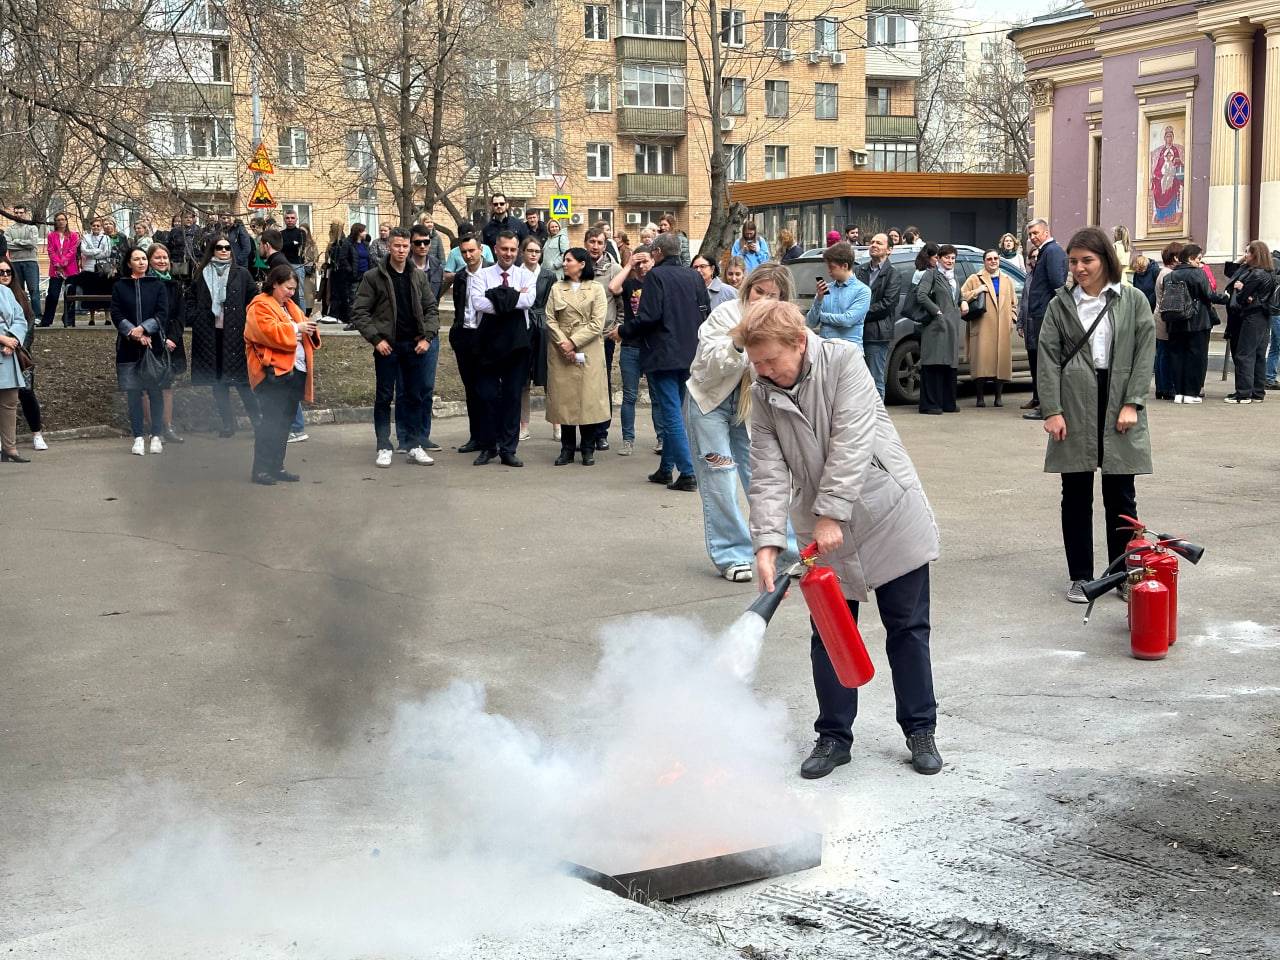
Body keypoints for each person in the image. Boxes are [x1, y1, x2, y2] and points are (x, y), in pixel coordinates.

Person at [740, 299, 943, 777]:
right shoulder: (764, 394)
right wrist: (767, 543)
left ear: (799, 342)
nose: (765, 371)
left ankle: (920, 730)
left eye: (772, 360)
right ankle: (833, 736)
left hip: (888, 513)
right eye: (757, 363)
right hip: (823, 532)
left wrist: (831, 512)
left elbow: (853, 442)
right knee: (829, 634)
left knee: (908, 629)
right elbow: (767, 474)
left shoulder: (846, 362)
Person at [1037, 226, 1154, 604]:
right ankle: (1081, 576)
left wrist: (1133, 402)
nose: (1079, 268)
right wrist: (1052, 409)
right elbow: (1048, 358)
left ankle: (1121, 573)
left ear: (1105, 259)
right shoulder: (1061, 304)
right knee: (1075, 493)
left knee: (1121, 494)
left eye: (1087, 260)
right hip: (1074, 400)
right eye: (1073, 261)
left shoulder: (1132, 300)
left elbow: (1143, 353)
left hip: (1118, 395)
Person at [686, 262, 794, 581]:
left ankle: (786, 550)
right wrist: (738, 340)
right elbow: (707, 364)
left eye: (771, 295)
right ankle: (732, 553)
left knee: (764, 478)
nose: (762, 299)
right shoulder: (726, 314)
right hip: (710, 404)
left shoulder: (782, 323)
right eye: (759, 291)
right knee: (720, 476)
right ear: (749, 287)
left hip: (752, 410)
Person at [615, 232, 709, 491]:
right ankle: (666, 469)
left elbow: (648, 317)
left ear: (657, 252)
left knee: (671, 414)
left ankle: (688, 473)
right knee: (676, 409)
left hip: (663, 353)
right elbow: (705, 312)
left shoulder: (656, 276)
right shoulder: (693, 275)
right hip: (690, 352)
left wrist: (622, 331)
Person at [350, 227, 439, 467]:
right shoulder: (374, 277)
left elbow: (431, 309)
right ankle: (383, 445)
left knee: (414, 396)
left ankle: (414, 444)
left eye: (405, 246)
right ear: (389, 246)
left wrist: (427, 338)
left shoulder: (418, 276)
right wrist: (376, 340)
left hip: (414, 346)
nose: (401, 250)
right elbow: (359, 312)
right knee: (384, 396)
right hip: (387, 347)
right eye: (397, 245)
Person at [244, 266, 318, 484]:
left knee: (285, 423)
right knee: (270, 422)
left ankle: (277, 466)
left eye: (294, 289)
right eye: (288, 288)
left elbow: (300, 327)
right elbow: (265, 333)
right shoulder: (259, 305)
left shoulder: (290, 306)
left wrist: (307, 328)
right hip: (272, 374)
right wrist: (297, 329)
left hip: (294, 371)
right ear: (275, 283)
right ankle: (261, 470)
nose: (291, 293)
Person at [468, 231, 536, 467]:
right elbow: (478, 302)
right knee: (486, 396)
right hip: (487, 344)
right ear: (495, 249)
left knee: (512, 396)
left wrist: (496, 297)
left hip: (516, 344)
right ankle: (488, 447)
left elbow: (528, 301)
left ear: (517, 251)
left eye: (512, 250)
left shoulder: (525, 275)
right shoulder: (482, 274)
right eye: (504, 249)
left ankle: (508, 449)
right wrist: (512, 298)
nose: (508, 253)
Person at [188, 235, 260, 437]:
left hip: (236, 335)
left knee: (243, 383)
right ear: (212, 250)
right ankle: (228, 424)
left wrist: (247, 320)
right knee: (218, 383)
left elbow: (254, 299)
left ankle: (258, 423)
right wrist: (196, 317)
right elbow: (191, 297)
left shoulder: (241, 273)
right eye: (219, 247)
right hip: (210, 335)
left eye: (227, 247)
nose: (223, 251)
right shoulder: (202, 273)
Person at [545, 248, 609, 465]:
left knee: (588, 399)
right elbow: (549, 318)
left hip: (587, 348)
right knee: (565, 400)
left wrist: (573, 342)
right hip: (560, 348)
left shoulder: (596, 289)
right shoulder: (557, 288)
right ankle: (567, 449)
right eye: (564, 260)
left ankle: (588, 448)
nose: (564, 263)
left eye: (569, 260)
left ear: (582, 263)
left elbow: (597, 323)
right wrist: (564, 342)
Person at [111, 247, 172, 456]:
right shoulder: (120, 286)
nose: (141, 262)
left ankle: (156, 434)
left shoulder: (156, 285)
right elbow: (116, 313)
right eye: (136, 259)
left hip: (152, 346)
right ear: (129, 263)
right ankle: (138, 436)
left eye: (144, 259)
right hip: (128, 347)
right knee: (133, 393)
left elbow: (162, 313)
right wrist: (133, 332)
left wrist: (145, 329)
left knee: (155, 391)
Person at [1164, 244, 1226, 404]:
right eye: (1198, 258)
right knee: (1196, 357)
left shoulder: (1169, 276)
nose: (1200, 262)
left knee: (1177, 356)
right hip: (1197, 322)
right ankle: (1191, 393)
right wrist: (1225, 297)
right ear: (1190, 258)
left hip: (1175, 321)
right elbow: (1208, 295)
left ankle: (1179, 393)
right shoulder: (1198, 274)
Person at [1024, 218, 1069, 420]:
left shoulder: (1052, 251)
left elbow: (1057, 284)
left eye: (1035, 233)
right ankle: (1045, 405)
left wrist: (1055, 313)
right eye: (1030, 234)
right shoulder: (1046, 251)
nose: (1032, 237)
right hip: (1040, 312)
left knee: (1048, 361)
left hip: (1046, 314)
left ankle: (1048, 408)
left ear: (1046, 231)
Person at [959, 249, 1015, 407]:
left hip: (1002, 328)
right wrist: (977, 291)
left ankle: (998, 397)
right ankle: (980, 397)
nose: (993, 261)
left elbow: (1013, 303)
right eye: (989, 259)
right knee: (981, 363)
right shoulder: (975, 278)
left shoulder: (1006, 279)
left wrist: (1011, 318)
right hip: (982, 326)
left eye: (995, 258)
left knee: (1000, 364)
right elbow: (961, 295)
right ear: (984, 261)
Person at [0, 258, 46, 451]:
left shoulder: (20, 295)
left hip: (20, 353)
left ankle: (37, 433)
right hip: (3, 350)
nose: (4, 276)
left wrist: (15, 344)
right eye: (1, 272)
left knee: (26, 393)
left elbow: (28, 323)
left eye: (8, 272)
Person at [1222, 242, 1276, 404]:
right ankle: (1257, 392)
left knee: (1244, 354)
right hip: (1264, 317)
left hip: (1252, 317)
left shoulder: (1255, 274)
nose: (1245, 255)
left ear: (1255, 254)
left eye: (1247, 252)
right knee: (1259, 354)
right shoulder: (1269, 273)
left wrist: (1240, 287)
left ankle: (1243, 394)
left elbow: (1242, 297)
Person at [584, 227, 622, 450]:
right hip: (581, 337)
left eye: (599, 242)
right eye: (592, 242)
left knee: (601, 383)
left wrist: (618, 327)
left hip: (603, 336)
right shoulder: (579, 266)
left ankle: (601, 432)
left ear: (605, 245)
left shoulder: (614, 269)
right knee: (582, 384)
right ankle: (586, 428)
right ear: (586, 243)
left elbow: (621, 304)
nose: (595, 246)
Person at [913, 243, 962, 415]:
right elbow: (921, 295)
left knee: (949, 364)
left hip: (952, 325)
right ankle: (931, 404)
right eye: (947, 257)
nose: (950, 261)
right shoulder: (931, 274)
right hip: (936, 325)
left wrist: (962, 303)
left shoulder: (953, 277)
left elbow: (958, 296)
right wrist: (937, 311)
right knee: (934, 362)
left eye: (953, 258)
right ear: (939, 258)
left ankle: (948, 402)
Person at [449, 235, 487, 454]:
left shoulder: (491, 272)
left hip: (486, 338)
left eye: (472, 251)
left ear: (480, 250)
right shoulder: (461, 276)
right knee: (471, 389)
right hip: (465, 336)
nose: (468, 255)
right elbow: (458, 306)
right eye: (464, 252)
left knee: (488, 389)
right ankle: (476, 437)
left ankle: (491, 436)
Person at [854, 232, 902, 400]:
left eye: (879, 243)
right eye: (872, 242)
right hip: (856, 332)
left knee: (875, 379)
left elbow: (887, 305)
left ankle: (877, 419)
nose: (874, 245)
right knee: (856, 381)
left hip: (877, 334)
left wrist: (858, 314)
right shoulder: (859, 270)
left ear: (889, 250)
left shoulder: (894, 274)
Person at [146, 244, 186, 443]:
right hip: (151, 340)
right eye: (157, 258)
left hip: (171, 340)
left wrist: (172, 338)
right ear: (149, 260)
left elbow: (180, 315)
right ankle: (154, 429)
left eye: (165, 258)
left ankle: (167, 426)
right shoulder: (145, 283)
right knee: (149, 385)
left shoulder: (175, 285)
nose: (162, 261)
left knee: (167, 385)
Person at [520, 236, 556, 442]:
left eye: (537, 251)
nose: (533, 254)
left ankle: (557, 425)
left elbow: (554, 302)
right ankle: (524, 425)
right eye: (530, 250)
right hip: (522, 327)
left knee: (549, 377)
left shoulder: (548, 276)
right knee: (523, 379)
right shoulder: (517, 273)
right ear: (523, 252)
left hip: (543, 328)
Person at [806, 242, 870, 345]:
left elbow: (847, 320)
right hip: (826, 350)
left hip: (849, 352)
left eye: (832, 267)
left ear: (845, 266)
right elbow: (810, 323)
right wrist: (819, 299)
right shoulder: (826, 289)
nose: (829, 271)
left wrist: (822, 317)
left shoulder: (863, 291)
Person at [0, 279, 30, 463]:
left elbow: (20, 319)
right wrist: (3, 339)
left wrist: (13, 339)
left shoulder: (5, 291)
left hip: (7, 354)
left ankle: (9, 448)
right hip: (3, 344)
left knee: (10, 401)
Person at [1150, 242, 1183, 400]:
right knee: (1166, 353)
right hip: (1165, 317)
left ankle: (1162, 387)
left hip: (1159, 315)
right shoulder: (1169, 274)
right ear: (1175, 257)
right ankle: (1167, 387)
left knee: (1162, 352)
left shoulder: (1163, 272)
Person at [42, 212, 79, 328]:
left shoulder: (73, 235)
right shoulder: (51, 235)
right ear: (55, 222)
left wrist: (63, 262)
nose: (61, 221)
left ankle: (69, 319)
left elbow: (72, 251)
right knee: (53, 294)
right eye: (58, 220)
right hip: (56, 269)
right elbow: (50, 250)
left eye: (63, 219)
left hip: (71, 269)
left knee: (71, 294)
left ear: (66, 221)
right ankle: (47, 320)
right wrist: (57, 264)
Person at [5, 203, 41, 312]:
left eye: (21, 213)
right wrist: (24, 244)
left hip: (30, 262)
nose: (18, 215)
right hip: (15, 262)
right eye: (16, 213)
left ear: (25, 213)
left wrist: (16, 242)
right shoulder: (9, 229)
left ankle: (37, 316)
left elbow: (33, 244)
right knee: (18, 290)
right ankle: (22, 315)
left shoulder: (32, 227)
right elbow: (8, 245)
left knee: (34, 290)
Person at [77, 217, 114, 321]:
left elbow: (107, 252)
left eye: (98, 225)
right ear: (91, 226)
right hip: (89, 268)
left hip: (102, 268)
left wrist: (92, 253)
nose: (96, 227)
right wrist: (98, 251)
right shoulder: (86, 237)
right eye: (94, 225)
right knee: (90, 292)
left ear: (100, 227)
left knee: (105, 291)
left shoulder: (106, 238)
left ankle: (107, 317)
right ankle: (92, 318)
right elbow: (84, 251)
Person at [281, 211, 308, 303]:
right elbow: (280, 247)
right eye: (287, 218)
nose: (290, 220)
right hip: (284, 265)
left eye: (292, 218)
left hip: (298, 265)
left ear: (296, 219)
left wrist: (287, 245)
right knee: (284, 293)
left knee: (299, 294)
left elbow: (300, 246)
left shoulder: (301, 233)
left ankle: (301, 317)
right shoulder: (281, 234)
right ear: (284, 220)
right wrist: (292, 243)